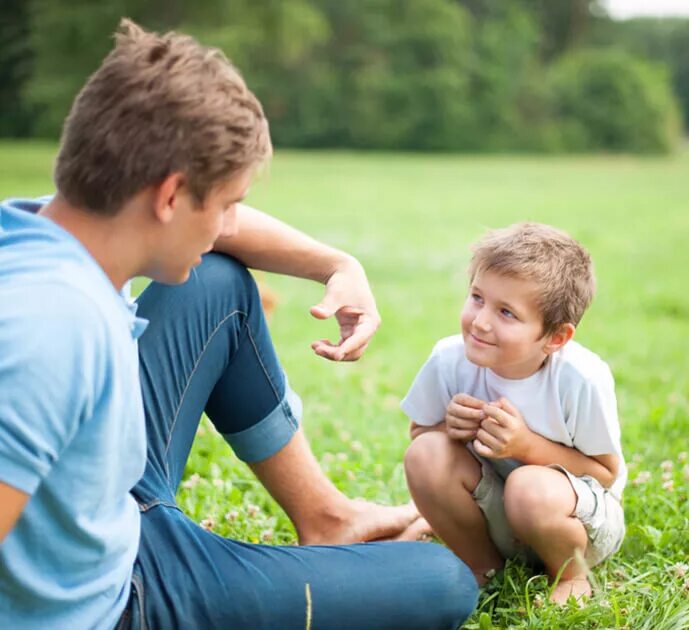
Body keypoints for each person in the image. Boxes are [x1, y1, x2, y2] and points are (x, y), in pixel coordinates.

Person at [0, 19, 478, 630]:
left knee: (217, 282)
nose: (230, 223)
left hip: (103, 510)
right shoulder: (50, 331)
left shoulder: (52, 230)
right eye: (227, 204)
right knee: (441, 583)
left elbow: (225, 242)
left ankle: (328, 517)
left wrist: (338, 264)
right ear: (170, 197)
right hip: (114, 598)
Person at [402, 222, 626, 604]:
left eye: (506, 312)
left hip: (577, 525)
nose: (481, 321)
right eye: (477, 298)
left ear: (555, 338)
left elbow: (605, 474)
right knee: (426, 454)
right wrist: (447, 427)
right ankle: (483, 567)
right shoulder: (449, 359)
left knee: (529, 488)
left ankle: (571, 577)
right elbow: (419, 435)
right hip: (500, 513)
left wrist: (526, 445)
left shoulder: (580, 379)